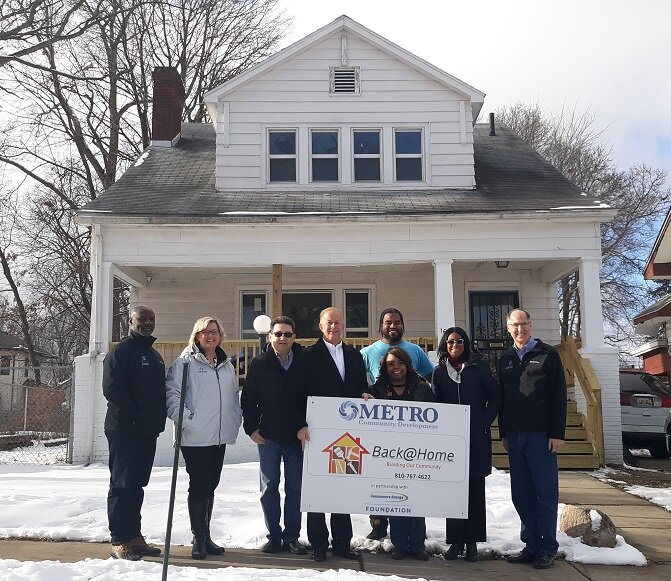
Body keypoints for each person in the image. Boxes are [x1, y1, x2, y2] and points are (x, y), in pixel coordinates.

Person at [165, 316, 242, 560]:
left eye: (215, 331)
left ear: (221, 336)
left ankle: (206, 536)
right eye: (205, 332)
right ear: (197, 335)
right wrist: (187, 420)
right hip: (195, 436)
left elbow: (231, 397)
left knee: (211, 485)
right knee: (199, 485)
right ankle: (198, 537)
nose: (211, 335)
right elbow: (172, 395)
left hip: (218, 435)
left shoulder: (226, 364)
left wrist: (234, 418)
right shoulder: (184, 363)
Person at [298, 307, 368, 562]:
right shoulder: (307, 356)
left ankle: (341, 543)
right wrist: (300, 424)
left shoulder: (354, 355)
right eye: (329, 323)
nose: (334, 327)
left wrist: (364, 394)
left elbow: (361, 385)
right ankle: (318, 543)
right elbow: (298, 393)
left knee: (342, 488)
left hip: (347, 433)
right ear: (320, 326)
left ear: (343, 326)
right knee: (318, 488)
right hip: (317, 433)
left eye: (338, 322)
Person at [498, 309, 566, 570]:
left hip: (541, 436)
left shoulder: (548, 354)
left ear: (531, 325)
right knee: (521, 493)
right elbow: (504, 398)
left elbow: (558, 395)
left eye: (524, 324)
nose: (520, 330)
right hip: (515, 436)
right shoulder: (505, 358)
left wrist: (557, 434)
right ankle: (530, 545)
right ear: (508, 328)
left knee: (545, 492)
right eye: (515, 325)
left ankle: (547, 547)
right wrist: (504, 431)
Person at [360, 308, 434, 540]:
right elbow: (358, 382)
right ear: (380, 325)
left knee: (408, 483)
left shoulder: (414, 350)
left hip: (411, 431)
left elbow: (431, 378)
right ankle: (378, 524)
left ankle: (411, 532)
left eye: (397, 322)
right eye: (388, 322)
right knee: (378, 480)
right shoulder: (367, 352)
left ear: (403, 325)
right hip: (379, 426)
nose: (393, 326)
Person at [102, 305, 166, 560]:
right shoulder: (120, 352)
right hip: (124, 429)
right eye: (142, 318)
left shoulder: (154, 355)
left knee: (137, 484)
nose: (147, 322)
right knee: (121, 484)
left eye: (151, 318)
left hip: (147, 430)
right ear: (131, 320)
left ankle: (135, 536)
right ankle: (120, 539)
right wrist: (136, 414)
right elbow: (112, 389)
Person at [432, 327, 500, 563]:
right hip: (451, 440)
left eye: (460, 341)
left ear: (466, 344)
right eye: (450, 342)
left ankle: (472, 543)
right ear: (444, 345)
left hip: (476, 437)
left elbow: (496, 397)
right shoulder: (439, 373)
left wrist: (484, 420)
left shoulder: (479, 369)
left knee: (474, 490)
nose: (455, 345)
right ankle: (455, 542)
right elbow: (436, 404)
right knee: (454, 490)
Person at [241, 316, 308, 556]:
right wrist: (251, 428)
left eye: (287, 334)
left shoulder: (304, 361)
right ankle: (274, 536)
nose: (283, 338)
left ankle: (292, 537)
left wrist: (304, 425)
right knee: (269, 488)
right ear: (270, 337)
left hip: (296, 438)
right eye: (278, 334)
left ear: (294, 337)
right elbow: (248, 399)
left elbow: (310, 398)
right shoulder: (259, 363)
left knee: (296, 489)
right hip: (268, 437)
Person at [366, 348, 434, 561]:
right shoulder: (377, 390)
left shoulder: (422, 388)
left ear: (407, 365)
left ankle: (418, 545)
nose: (396, 367)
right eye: (391, 364)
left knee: (416, 498)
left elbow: (437, 417)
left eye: (400, 363)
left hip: (417, 453)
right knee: (395, 498)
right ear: (385, 368)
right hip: (388, 454)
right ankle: (400, 545)